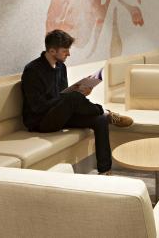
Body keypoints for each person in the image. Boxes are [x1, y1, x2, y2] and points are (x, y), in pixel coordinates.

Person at [21, 29, 133, 174]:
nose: (69, 54)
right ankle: (105, 112)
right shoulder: (32, 70)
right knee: (73, 97)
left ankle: (105, 171)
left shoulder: (61, 67)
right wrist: (71, 96)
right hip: (41, 121)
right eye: (65, 50)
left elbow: (62, 96)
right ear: (52, 51)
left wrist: (78, 92)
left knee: (100, 120)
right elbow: (37, 106)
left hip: (59, 115)